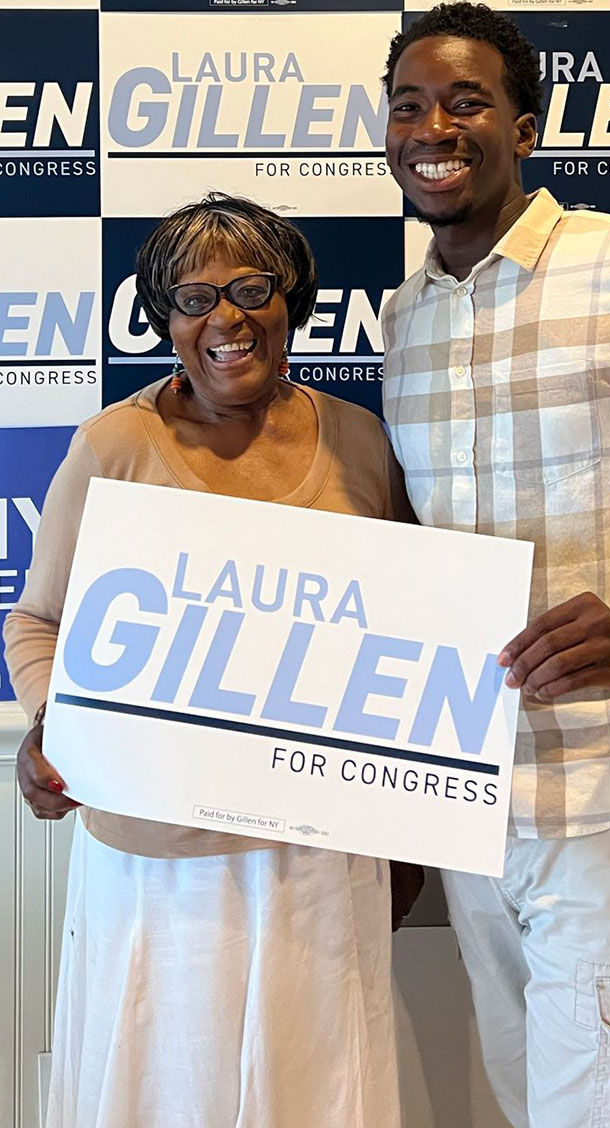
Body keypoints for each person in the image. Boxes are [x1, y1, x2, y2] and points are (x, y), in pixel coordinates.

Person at [4, 193, 421, 1128]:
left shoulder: (360, 439)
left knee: (318, 1095)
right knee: (163, 1094)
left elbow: (406, 630)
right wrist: (53, 724)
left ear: (292, 302)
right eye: (192, 297)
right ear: (163, 320)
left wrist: (410, 824)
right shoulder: (115, 445)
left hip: (322, 855)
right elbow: (35, 622)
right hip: (157, 863)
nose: (224, 319)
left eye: (251, 289)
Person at [381, 2, 610, 1128]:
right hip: (470, 804)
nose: (432, 127)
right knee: (522, 1101)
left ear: (526, 123)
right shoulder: (406, 321)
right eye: (408, 106)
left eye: (465, 101)